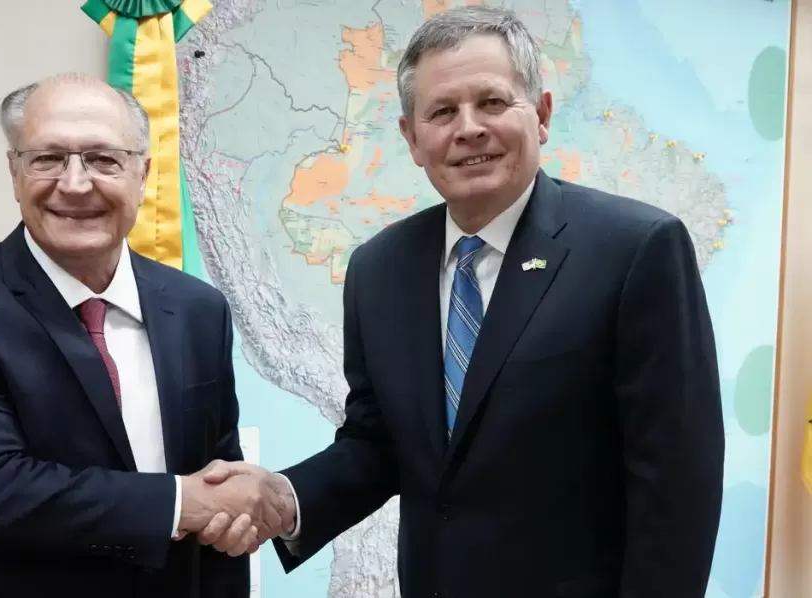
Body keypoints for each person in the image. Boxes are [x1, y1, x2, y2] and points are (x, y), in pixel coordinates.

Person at [199, 6, 726, 597]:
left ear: (543, 114)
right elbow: (380, 444)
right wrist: (284, 497)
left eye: (493, 103)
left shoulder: (635, 251)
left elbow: (677, 487)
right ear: (412, 138)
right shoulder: (379, 269)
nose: (469, 127)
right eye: (443, 111)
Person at [0, 73, 292, 598]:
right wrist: (182, 502)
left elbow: (220, 479)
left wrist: (236, 511)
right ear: (14, 172)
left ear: (143, 174)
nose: (75, 184)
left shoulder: (198, 308)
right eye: (48, 158)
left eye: (103, 159)